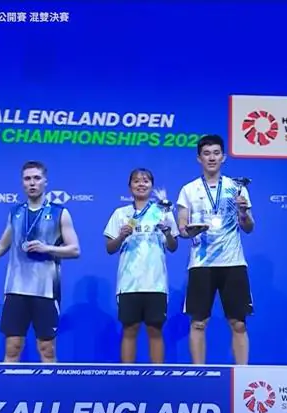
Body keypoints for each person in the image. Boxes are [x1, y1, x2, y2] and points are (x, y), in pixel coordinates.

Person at [0, 161, 81, 363]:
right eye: (27, 179)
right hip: (16, 289)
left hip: (45, 291)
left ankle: (50, 385)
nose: (32, 183)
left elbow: (74, 250)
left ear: (45, 181)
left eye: (37, 178)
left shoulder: (60, 213)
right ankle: (8, 385)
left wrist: (47, 248)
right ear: (22, 183)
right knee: (12, 348)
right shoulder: (15, 212)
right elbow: (1, 246)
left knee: (47, 349)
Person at [175, 134, 255, 364]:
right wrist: (189, 231)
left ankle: (242, 376)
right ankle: (198, 375)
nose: (212, 158)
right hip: (201, 264)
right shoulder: (188, 190)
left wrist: (243, 212)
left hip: (233, 262)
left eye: (216, 153)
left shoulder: (236, 188)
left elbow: (249, 227)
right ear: (199, 158)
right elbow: (182, 228)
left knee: (238, 323)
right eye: (207, 153)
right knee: (198, 323)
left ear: (224, 157)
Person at [104, 168, 179, 363]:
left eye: (145, 180)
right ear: (130, 187)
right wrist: (121, 236)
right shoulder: (121, 213)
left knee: (155, 329)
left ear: (152, 186)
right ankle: (127, 375)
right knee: (130, 329)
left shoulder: (162, 212)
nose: (141, 184)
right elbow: (110, 248)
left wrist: (167, 232)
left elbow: (173, 247)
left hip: (156, 283)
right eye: (136, 181)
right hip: (129, 284)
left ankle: (158, 376)